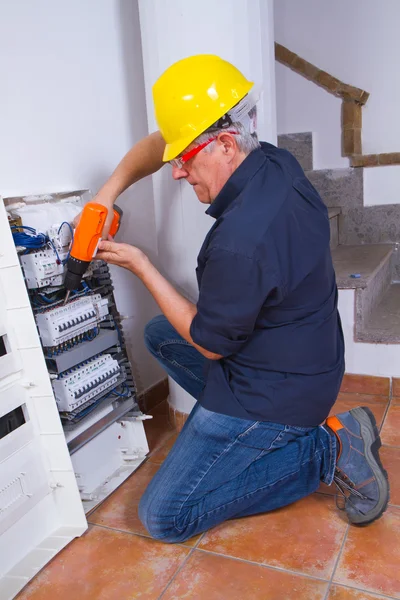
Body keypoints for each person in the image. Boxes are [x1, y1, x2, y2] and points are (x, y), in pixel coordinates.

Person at [95, 54, 389, 542]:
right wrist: (106, 195)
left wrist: (142, 265)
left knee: (164, 518)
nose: (176, 173)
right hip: (304, 355)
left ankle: (327, 449)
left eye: (185, 160)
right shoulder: (272, 160)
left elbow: (211, 346)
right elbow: (158, 144)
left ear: (226, 144)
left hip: (276, 391)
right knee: (160, 334)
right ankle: (251, 440)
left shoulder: (242, 242)